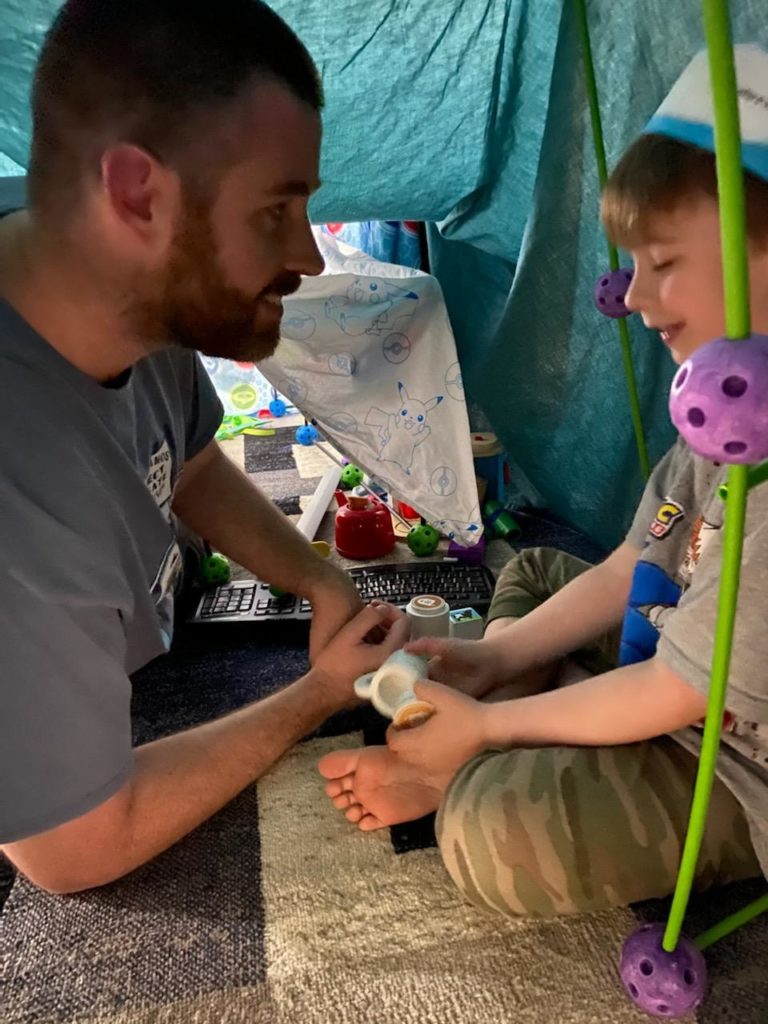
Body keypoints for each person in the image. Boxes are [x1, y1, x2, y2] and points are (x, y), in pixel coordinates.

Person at [320, 45, 768, 918]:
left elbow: (682, 693)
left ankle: (470, 763)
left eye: (663, 263)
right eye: (630, 266)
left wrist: (485, 730)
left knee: (496, 835)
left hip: (736, 765)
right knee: (528, 572)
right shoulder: (723, 418)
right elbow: (632, 562)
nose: (632, 298)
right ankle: (531, 691)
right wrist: (495, 658)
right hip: (670, 661)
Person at [0, 0, 410, 894]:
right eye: (276, 211)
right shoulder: (15, 491)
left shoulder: (116, 291)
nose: (307, 256)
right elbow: (73, 852)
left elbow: (189, 463)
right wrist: (316, 697)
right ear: (138, 195)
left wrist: (323, 583)